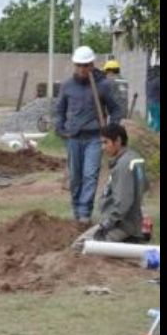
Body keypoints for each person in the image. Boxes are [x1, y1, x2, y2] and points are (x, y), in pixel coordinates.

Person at [55, 45, 124, 225]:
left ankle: (85, 212)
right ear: (74, 65)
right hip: (74, 138)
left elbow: (116, 110)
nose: (82, 69)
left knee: (90, 175)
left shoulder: (103, 86)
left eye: (86, 65)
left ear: (92, 64)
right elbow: (60, 110)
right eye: (79, 65)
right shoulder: (67, 86)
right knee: (76, 176)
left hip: (95, 137)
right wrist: (60, 128)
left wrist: (111, 129)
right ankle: (76, 211)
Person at [72, 124, 149, 250]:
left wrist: (107, 224)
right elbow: (144, 186)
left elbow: (123, 203)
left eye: (106, 142)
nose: (103, 147)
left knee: (79, 247)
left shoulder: (123, 166)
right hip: (132, 222)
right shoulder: (134, 158)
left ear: (118, 141)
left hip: (122, 225)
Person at [146, 65, 160, 133]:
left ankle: (148, 131)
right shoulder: (157, 80)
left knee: (154, 119)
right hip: (156, 103)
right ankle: (154, 136)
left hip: (149, 103)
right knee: (157, 120)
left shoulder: (148, 80)